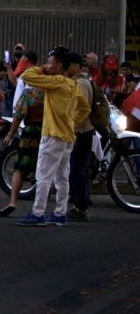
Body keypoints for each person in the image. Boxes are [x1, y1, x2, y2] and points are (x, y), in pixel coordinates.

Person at [17, 48, 90, 227]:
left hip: (52, 135)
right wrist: (72, 122)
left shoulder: (56, 81)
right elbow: (84, 108)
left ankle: (38, 213)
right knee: (62, 177)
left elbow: (26, 75)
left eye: (50, 62)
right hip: (67, 136)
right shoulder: (73, 84)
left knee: (43, 175)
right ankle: (60, 213)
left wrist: (41, 69)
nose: (47, 64)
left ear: (59, 65)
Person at [0, 52, 43, 217]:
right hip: (48, 133)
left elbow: (18, 116)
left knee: (19, 167)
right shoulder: (51, 93)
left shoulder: (29, 95)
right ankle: (42, 207)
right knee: (45, 170)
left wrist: (10, 135)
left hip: (29, 131)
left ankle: (13, 201)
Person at [66, 52, 94, 222]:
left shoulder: (81, 83)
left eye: (68, 65)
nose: (66, 69)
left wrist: (73, 131)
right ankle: (81, 202)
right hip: (82, 130)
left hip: (81, 132)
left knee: (77, 170)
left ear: (76, 65)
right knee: (80, 169)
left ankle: (81, 207)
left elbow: (81, 110)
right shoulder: (81, 81)